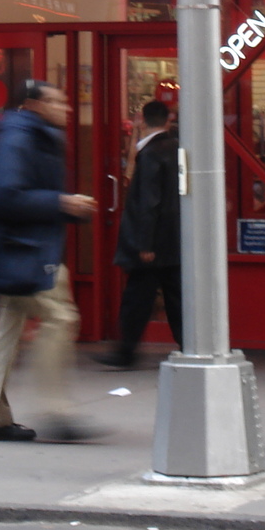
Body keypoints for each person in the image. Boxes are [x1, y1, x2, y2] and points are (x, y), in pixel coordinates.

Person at [0, 80, 98, 443]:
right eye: (58, 101)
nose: (67, 107)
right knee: (60, 318)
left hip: (25, 249)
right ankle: (57, 409)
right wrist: (61, 202)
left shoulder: (30, 134)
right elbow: (4, 195)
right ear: (36, 104)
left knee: (8, 329)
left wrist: (63, 205)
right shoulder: (21, 137)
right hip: (22, 251)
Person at [96, 98, 181, 369]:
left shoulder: (151, 154)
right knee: (175, 297)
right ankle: (188, 346)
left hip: (152, 243)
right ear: (168, 119)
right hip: (172, 239)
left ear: (142, 121)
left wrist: (145, 242)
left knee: (137, 299)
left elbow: (149, 201)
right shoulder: (174, 147)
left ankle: (126, 352)